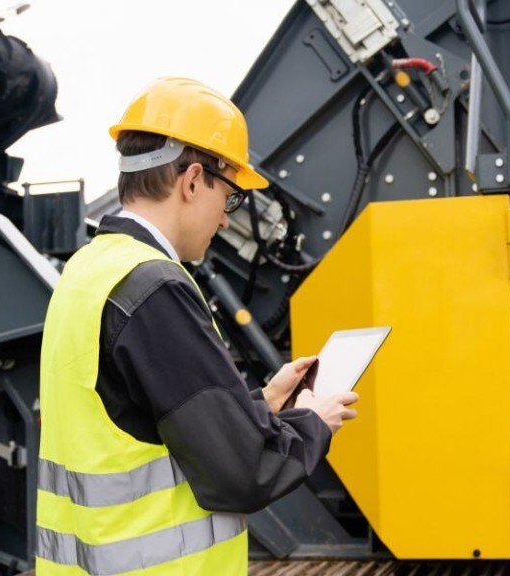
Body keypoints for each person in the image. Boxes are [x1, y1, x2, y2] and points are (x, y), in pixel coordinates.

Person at [35, 77, 358, 576]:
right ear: (191, 181)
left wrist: (262, 404)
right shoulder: (155, 286)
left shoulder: (88, 270)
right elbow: (245, 474)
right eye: (229, 197)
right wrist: (313, 421)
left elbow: (133, 424)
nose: (227, 220)